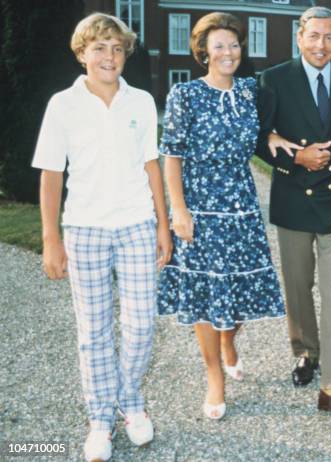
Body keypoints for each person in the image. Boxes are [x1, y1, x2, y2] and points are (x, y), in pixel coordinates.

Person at [32, 13, 171, 462]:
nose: (108, 57)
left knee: (142, 324)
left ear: (125, 55)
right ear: (82, 53)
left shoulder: (143, 102)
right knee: (93, 332)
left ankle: (129, 401)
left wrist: (163, 226)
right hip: (84, 229)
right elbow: (52, 174)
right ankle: (99, 420)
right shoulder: (62, 105)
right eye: (99, 48)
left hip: (136, 225)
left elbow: (153, 167)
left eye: (116, 48)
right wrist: (51, 238)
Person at [157, 12, 285, 420]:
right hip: (200, 210)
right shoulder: (186, 95)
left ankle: (230, 341)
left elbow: (266, 121)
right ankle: (215, 376)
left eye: (233, 45)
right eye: (219, 46)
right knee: (207, 298)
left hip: (242, 209)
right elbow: (171, 156)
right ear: (203, 52)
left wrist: (271, 134)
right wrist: (178, 210)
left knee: (241, 293)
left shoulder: (251, 90)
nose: (228, 52)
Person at [257, 6, 331, 414]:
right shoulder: (272, 80)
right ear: (299, 37)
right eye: (314, 36)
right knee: (298, 287)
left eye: (329, 38)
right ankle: (306, 351)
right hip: (293, 199)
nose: (321, 45)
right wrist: (296, 160)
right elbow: (259, 139)